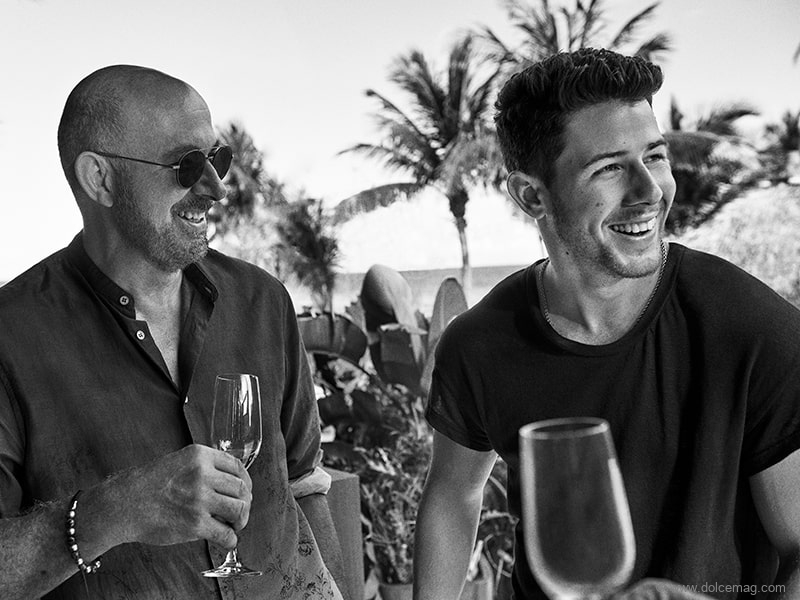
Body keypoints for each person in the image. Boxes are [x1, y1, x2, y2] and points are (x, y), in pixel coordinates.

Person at [414, 48, 800, 600]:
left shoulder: (752, 327)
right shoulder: (479, 345)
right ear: (531, 195)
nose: (650, 192)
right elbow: (455, 496)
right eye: (610, 168)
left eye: (655, 157)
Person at [0, 65, 345, 599]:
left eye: (217, 159)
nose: (215, 188)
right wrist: (115, 510)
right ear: (100, 178)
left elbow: (303, 484)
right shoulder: (11, 336)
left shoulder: (263, 301)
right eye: (187, 166)